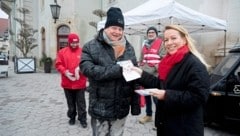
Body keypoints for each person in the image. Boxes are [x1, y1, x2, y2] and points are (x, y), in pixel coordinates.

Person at [132, 25, 210, 136]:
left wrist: (166, 95)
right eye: (166, 40)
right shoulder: (169, 62)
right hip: (167, 124)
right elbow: (160, 84)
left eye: (173, 38)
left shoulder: (194, 64)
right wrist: (140, 73)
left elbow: (198, 96)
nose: (169, 43)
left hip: (184, 128)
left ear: (184, 40)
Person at [80, 7, 141, 136]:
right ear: (106, 28)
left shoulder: (129, 48)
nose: (117, 32)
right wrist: (117, 70)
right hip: (100, 107)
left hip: (121, 108)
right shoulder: (91, 46)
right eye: (114, 28)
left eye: (120, 29)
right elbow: (87, 69)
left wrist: (135, 105)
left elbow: (134, 79)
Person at [55, 33, 88, 128]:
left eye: (76, 42)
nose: (74, 45)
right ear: (69, 42)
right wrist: (65, 72)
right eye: (72, 43)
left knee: (81, 103)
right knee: (71, 103)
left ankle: (83, 119)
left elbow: (86, 64)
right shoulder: (62, 52)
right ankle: (72, 117)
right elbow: (58, 64)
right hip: (67, 83)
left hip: (80, 83)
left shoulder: (83, 52)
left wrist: (79, 69)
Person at [138, 26, 164, 124]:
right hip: (145, 76)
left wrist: (157, 68)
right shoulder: (145, 45)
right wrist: (140, 68)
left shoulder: (161, 44)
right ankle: (148, 115)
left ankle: (159, 120)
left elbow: (164, 58)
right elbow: (141, 59)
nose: (150, 34)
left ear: (156, 34)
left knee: (156, 100)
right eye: (149, 33)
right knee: (147, 97)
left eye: (153, 32)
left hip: (155, 77)